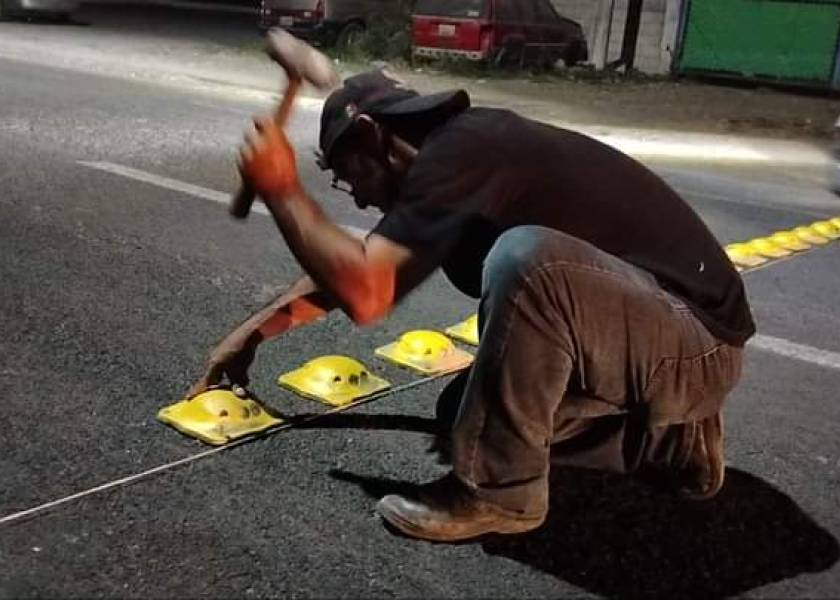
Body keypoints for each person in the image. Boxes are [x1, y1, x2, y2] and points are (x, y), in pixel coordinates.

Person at [189, 70, 755, 543]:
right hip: (665, 341)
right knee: (465, 414)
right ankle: (672, 442)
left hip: (693, 338)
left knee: (527, 259)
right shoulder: (456, 163)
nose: (357, 196)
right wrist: (247, 338)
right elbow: (356, 270)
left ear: (371, 134)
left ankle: (502, 497)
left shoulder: (465, 150)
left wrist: (284, 188)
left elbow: (365, 289)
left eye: (347, 175)